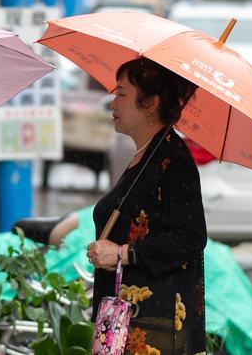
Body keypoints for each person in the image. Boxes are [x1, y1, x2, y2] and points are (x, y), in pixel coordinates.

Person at [86, 58, 207, 354]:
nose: (113, 102)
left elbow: (190, 237)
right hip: (128, 319)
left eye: (122, 94)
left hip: (155, 325)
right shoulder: (147, 155)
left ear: (150, 103)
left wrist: (121, 253)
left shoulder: (173, 160)